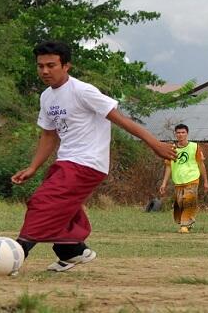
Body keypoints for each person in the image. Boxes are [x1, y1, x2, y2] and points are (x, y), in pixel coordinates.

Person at [11, 41, 177, 272]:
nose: (45, 71)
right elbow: (49, 135)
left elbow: (122, 120)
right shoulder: (46, 97)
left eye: (51, 65)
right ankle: (73, 251)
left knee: (44, 202)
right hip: (67, 161)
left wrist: (154, 144)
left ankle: (17, 253)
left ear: (66, 65)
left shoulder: (83, 91)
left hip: (88, 162)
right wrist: (33, 168)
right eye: (40, 66)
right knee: (64, 208)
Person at [159, 124, 208, 233]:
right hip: (178, 181)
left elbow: (201, 164)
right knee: (179, 204)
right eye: (178, 133)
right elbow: (168, 167)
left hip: (192, 179)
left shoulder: (194, 147)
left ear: (187, 133)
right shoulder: (171, 149)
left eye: (183, 132)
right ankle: (186, 223)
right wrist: (164, 183)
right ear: (175, 134)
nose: (180, 135)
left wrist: (205, 181)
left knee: (189, 201)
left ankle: (185, 226)